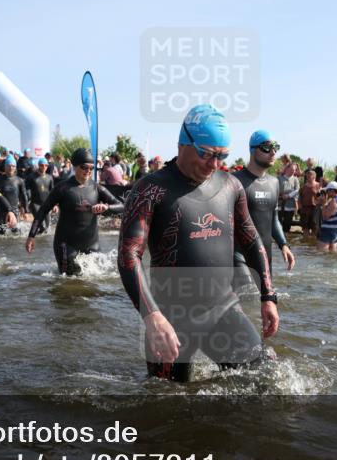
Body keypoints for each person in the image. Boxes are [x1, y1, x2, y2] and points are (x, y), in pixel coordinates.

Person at [116, 105, 279, 383]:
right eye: (207, 153)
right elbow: (129, 254)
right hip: (170, 319)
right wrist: (151, 316)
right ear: (183, 143)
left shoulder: (230, 186)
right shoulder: (151, 189)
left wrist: (268, 296)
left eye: (222, 156)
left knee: (264, 381)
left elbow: (252, 241)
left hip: (224, 309)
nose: (214, 164)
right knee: (166, 407)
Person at [25, 148, 124, 275]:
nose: (88, 171)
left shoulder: (97, 188)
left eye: (91, 168)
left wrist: (107, 208)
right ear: (75, 166)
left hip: (92, 245)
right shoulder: (62, 188)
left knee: (94, 286)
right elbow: (43, 211)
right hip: (67, 246)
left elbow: (122, 207)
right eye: (84, 167)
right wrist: (31, 236)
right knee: (68, 283)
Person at [232, 131, 295, 289]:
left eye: (276, 147)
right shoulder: (234, 181)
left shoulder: (274, 183)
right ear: (253, 150)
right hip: (238, 257)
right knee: (246, 304)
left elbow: (273, 219)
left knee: (264, 306)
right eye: (267, 147)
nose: (273, 152)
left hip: (265, 258)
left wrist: (283, 245)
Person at [0, 156, 28, 234]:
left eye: (13, 166)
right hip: (0, 211)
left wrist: (25, 210)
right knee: (0, 235)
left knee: (17, 234)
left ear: (15, 167)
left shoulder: (19, 181)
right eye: (9, 166)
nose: (11, 168)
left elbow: (24, 196)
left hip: (14, 210)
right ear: (5, 167)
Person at [316, 183, 337, 252]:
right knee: (332, 251)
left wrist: (324, 205)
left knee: (321, 251)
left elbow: (325, 216)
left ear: (332, 191)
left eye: (327, 191)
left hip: (330, 229)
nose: (326, 193)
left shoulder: (334, 201)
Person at [26, 156, 55, 234]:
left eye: (46, 165)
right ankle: (33, 239)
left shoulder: (50, 178)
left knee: (47, 227)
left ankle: (40, 240)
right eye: (42, 165)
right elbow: (26, 190)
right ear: (38, 165)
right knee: (41, 226)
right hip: (35, 204)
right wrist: (26, 203)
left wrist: (55, 205)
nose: (44, 167)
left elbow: (52, 192)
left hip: (46, 204)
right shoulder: (31, 177)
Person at [277, 161, 299, 233]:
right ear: (287, 169)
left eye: (295, 170)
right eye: (292, 169)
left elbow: (297, 190)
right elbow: (274, 189)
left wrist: (288, 196)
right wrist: (280, 196)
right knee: (278, 225)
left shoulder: (295, 179)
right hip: (279, 205)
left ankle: (286, 242)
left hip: (290, 206)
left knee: (287, 226)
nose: (294, 171)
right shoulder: (279, 178)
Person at [298, 169, 320, 236]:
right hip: (304, 210)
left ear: (314, 176)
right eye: (307, 175)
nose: (307, 177)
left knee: (315, 228)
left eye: (309, 175)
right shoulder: (303, 187)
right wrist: (300, 208)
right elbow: (299, 198)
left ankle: (312, 244)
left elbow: (322, 198)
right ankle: (306, 244)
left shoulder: (318, 186)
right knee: (305, 228)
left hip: (315, 210)